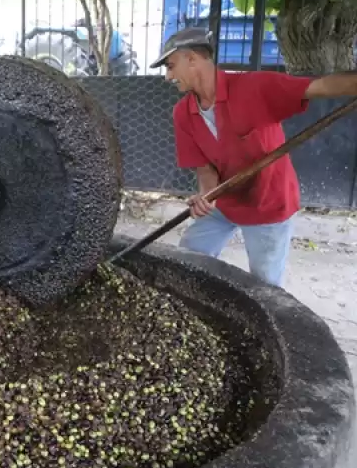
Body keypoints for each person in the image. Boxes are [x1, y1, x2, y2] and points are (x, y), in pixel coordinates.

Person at [149, 27, 357, 287]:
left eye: (171, 66)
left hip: (269, 203)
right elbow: (204, 168)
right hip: (225, 202)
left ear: (192, 58)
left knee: (265, 287)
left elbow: (320, 86)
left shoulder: (254, 87)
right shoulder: (183, 113)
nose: (168, 76)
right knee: (188, 258)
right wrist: (206, 195)